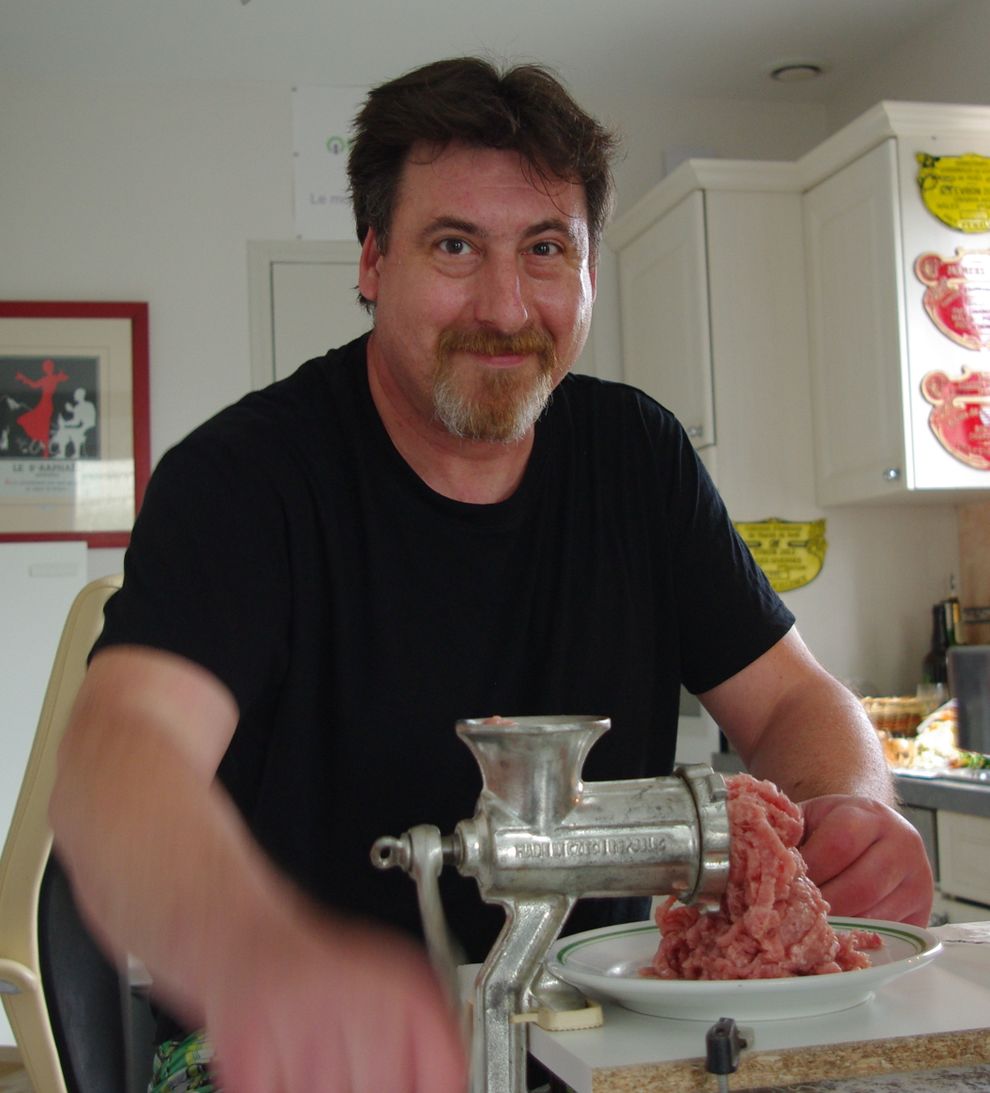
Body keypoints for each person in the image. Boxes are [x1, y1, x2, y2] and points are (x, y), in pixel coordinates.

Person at [49, 57, 933, 1093]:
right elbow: (125, 755)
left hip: (593, 1037)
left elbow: (791, 700)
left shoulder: (639, 459)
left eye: (546, 248)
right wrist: (266, 959)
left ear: (589, 272)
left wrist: (850, 808)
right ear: (374, 259)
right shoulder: (246, 478)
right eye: (456, 246)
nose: (507, 307)